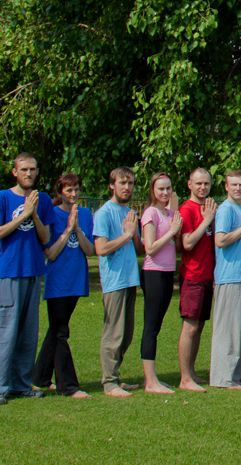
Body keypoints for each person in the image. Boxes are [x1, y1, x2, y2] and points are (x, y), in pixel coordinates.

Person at [0, 152, 54, 404]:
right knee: (4, 331)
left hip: (34, 272)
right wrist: (23, 215)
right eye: (24, 169)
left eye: (33, 169)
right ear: (15, 172)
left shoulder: (43, 200)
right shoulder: (2, 198)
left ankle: (21, 386)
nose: (29, 173)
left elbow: (46, 239)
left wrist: (34, 214)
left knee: (27, 333)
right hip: (10, 273)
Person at [35, 171, 93, 399]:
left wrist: (77, 228)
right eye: (69, 190)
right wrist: (68, 229)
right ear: (60, 192)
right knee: (61, 333)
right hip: (57, 282)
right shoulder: (52, 214)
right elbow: (50, 253)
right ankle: (68, 387)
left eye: (76, 189)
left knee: (55, 330)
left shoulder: (85, 214)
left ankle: (39, 378)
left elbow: (90, 250)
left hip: (76, 281)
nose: (73, 194)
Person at [92, 167, 140, 397]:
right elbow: (101, 249)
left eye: (130, 183)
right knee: (114, 333)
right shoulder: (103, 213)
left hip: (130, 279)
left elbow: (138, 248)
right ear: (112, 185)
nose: (127, 187)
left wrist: (135, 233)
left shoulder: (130, 212)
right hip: (114, 281)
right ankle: (109, 382)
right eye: (122, 183)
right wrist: (127, 235)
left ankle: (116, 376)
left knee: (126, 334)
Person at [138, 174, 184, 395]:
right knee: (151, 327)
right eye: (161, 189)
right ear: (153, 190)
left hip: (167, 273)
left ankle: (152, 379)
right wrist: (172, 232)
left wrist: (177, 233)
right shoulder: (151, 213)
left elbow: (177, 247)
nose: (165, 193)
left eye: (168, 188)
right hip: (153, 273)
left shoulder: (172, 214)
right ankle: (150, 382)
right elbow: (150, 248)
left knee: (157, 326)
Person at [211, 170, 241, 389]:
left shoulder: (240, 209)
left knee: (238, 330)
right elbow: (220, 240)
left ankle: (233, 375)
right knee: (227, 330)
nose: (238, 188)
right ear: (226, 187)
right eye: (234, 185)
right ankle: (221, 377)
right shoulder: (226, 209)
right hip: (228, 276)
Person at [175, 167, 216, 391]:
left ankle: (191, 373)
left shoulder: (208, 208)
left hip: (207, 275)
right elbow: (188, 243)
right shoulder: (187, 209)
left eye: (206, 183)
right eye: (198, 183)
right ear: (189, 184)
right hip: (193, 275)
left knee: (199, 326)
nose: (203, 187)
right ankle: (184, 379)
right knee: (190, 326)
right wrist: (206, 220)